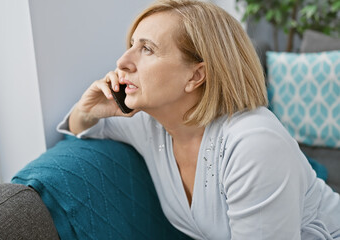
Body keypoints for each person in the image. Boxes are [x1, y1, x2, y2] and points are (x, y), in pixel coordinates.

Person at [57, 0, 340, 239]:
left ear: (195, 76)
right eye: (132, 45)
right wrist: (87, 109)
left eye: (147, 49)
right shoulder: (149, 124)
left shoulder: (253, 143)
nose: (122, 61)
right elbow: (83, 127)